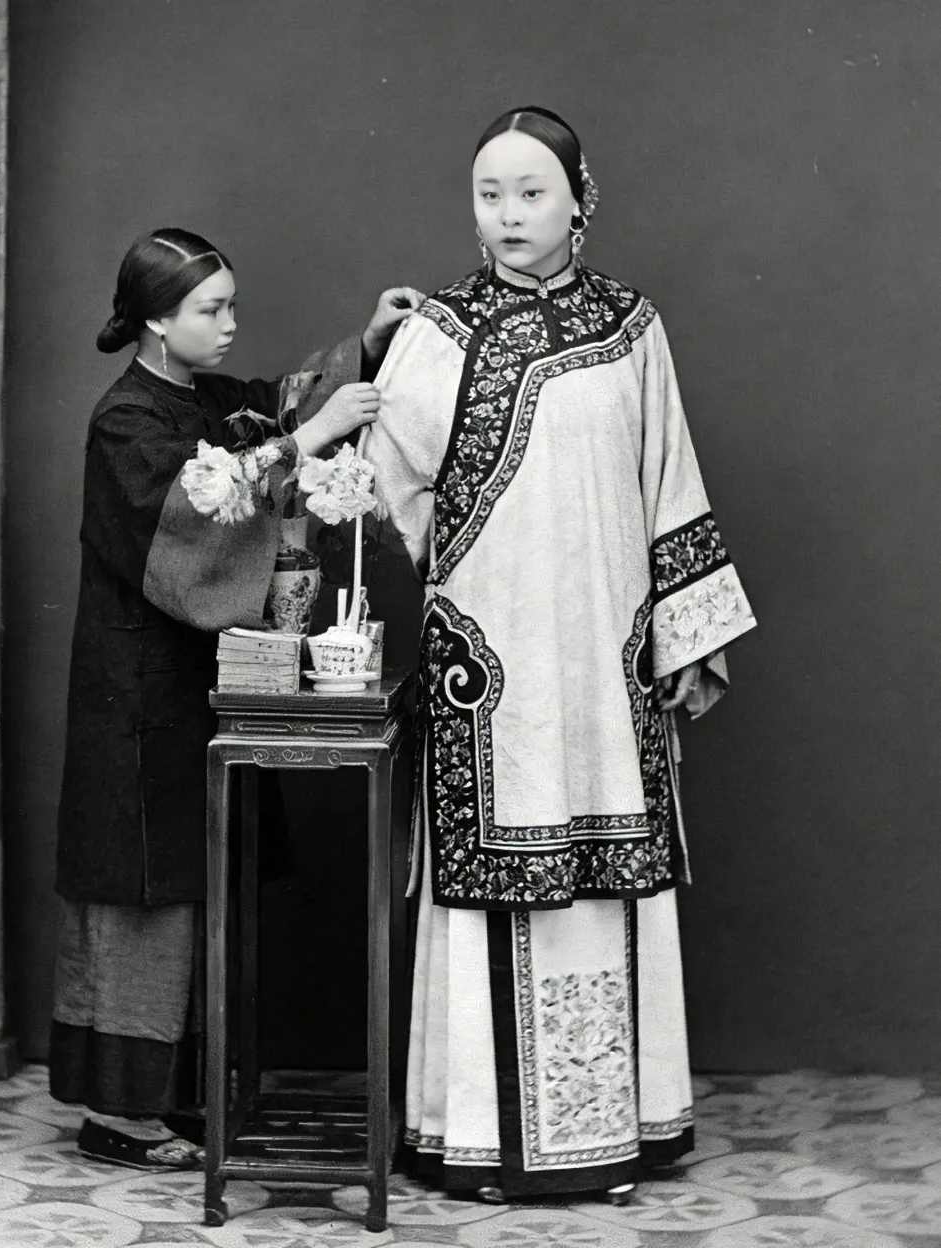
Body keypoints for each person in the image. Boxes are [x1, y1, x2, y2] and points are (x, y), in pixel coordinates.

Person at [364, 108, 756, 1203]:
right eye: (489, 193)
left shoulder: (632, 328)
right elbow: (381, 486)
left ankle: (615, 1138)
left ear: (581, 198)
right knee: (491, 878)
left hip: (602, 662)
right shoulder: (440, 331)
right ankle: (477, 1143)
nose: (509, 215)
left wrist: (683, 634)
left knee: (603, 871)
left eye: (532, 192)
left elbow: (668, 479)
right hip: (489, 677)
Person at [50, 227, 424, 1169]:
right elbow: (191, 519)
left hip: (192, 691)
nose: (227, 325)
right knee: (143, 897)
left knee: (191, 889)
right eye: (209, 309)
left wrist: (368, 343)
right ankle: (118, 1115)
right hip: (134, 696)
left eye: (229, 306)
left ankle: (168, 1097)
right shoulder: (123, 422)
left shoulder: (203, 398)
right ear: (154, 320)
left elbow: (275, 407)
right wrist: (309, 440)